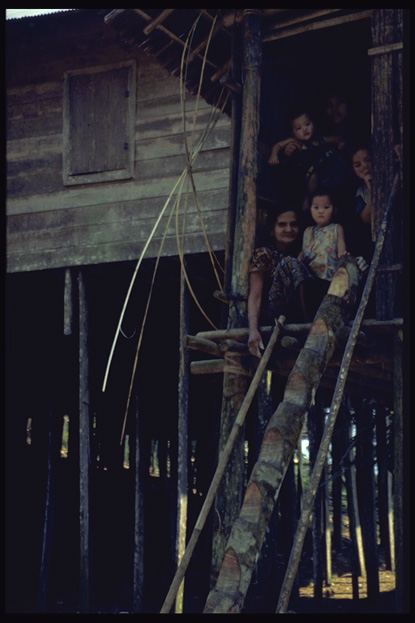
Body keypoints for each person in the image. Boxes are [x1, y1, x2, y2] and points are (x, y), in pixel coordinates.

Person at [247, 206, 305, 358]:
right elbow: (255, 295)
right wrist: (253, 329)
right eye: (282, 225)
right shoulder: (263, 254)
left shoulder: (304, 250)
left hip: (298, 315)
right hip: (274, 317)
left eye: (294, 224)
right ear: (272, 230)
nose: (289, 229)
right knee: (289, 263)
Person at [267, 110, 346, 210]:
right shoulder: (295, 142)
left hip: (322, 175)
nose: (304, 129)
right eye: (299, 128)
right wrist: (274, 156)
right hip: (302, 177)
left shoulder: (319, 140)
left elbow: (335, 138)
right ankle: (309, 199)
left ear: (313, 124)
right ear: (293, 132)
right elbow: (278, 145)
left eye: (307, 124)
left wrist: (340, 142)